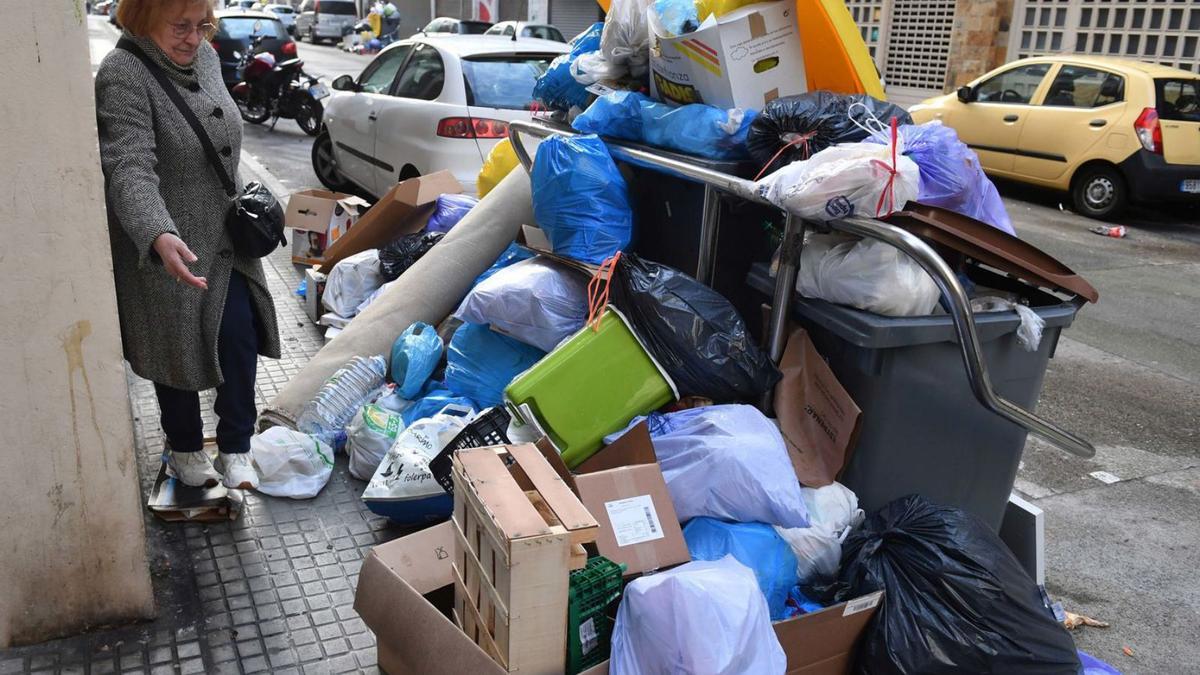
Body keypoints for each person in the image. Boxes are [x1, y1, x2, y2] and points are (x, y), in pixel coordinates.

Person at [95, 0, 282, 490]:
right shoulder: (123, 72)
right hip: (169, 245)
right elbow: (128, 164)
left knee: (237, 343)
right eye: (180, 26)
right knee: (175, 353)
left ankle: (237, 445)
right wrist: (157, 231)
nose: (193, 38)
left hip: (225, 239)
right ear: (142, 19)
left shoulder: (206, 56)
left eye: (202, 25)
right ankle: (183, 448)